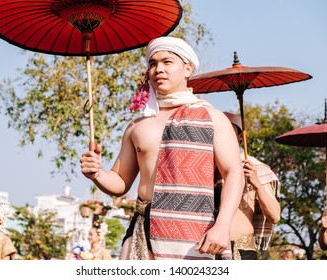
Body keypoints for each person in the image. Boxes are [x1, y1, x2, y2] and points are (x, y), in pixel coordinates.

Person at [81, 36, 244, 260]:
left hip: (195, 231)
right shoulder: (137, 126)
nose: (159, 69)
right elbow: (120, 182)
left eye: (167, 62)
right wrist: (97, 173)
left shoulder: (213, 118)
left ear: (187, 68)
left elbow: (233, 173)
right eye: (153, 63)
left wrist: (223, 225)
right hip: (143, 229)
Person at [215, 112, 281, 260]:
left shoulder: (256, 168)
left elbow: (275, 216)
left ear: (240, 136)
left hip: (243, 250)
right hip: (210, 249)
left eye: (229, 130)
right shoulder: (206, 168)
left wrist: (256, 183)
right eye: (219, 130)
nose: (223, 134)